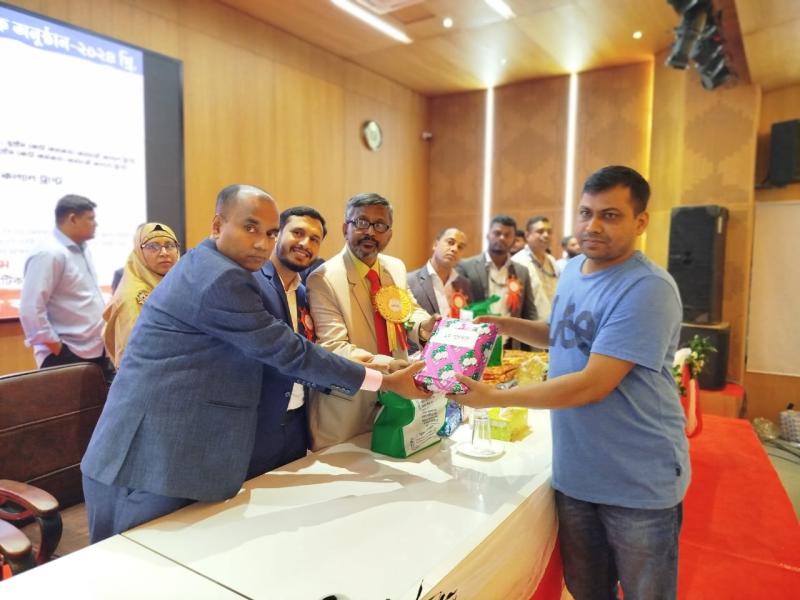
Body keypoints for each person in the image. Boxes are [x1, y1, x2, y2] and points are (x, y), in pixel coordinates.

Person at [80, 184, 425, 543]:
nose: (262, 243)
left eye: (270, 233)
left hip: (171, 450)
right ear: (217, 226)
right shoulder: (220, 278)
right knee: (135, 562)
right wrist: (385, 381)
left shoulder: (213, 265)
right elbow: (291, 352)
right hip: (143, 459)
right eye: (250, 228)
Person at [452, 166, 689, 600]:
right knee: (586, 590)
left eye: (610, 215)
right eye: (585, 213)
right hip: (577, 474)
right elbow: (560, 333)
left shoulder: (648, 288)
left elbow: (592, 384)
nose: (592, 226)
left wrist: (494, 397)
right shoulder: (577, 269)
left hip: (636, 480)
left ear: (640, 222)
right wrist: (504, 325)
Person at [306, 192, 435, 450]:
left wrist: (424, 326)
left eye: (380, 225)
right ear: (345, 228)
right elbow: (334, 347)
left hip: (396, 403)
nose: (370, 232)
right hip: (346, 411)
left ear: (389, 234)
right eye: (361, 222)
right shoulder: (324, 278)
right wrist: (389, 366)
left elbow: (408, 310)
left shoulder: (395, 268)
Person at [248, 206, 326, 477]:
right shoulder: (252, 282)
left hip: (296, 423)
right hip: (255, 424)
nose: (305, 244)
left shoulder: (305, 293)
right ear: (277, 233)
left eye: (314, 239)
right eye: (298, 233)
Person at [19, 194, 115, 383]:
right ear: (72, 219)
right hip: (66, 354)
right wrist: (57, 347)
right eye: (90, 218)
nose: (95, 224)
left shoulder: (83, 249)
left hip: (94, 350)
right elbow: (30, 308)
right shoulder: (48, 253)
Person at [102, 222, 180, 368]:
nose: (164, 252)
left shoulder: (176, 283)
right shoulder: (133, 297)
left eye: (170, 245)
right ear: (139, 251)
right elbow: (136, 356)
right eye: (153, 246)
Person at [456, 215, 537, 323]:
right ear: (488, 235)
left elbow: (529, 312)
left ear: (514, 240)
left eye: (507, 235)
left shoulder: (522, 272)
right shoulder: (466, 267)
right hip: (476, 331)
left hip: (510, 333)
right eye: (497, 233)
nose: (502, 238)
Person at [407, 227, 471, 317]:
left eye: (460, 247)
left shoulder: (464, 285)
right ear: (435, 245)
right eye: (450, 242)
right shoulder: (410, 282)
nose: (455, 249)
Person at [512, 215, 560, 321]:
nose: (546, 235)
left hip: (553, 323)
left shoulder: (552, 260)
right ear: (527, 235)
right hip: (530, 324)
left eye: (549, 232)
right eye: (540, 231)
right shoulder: (518, 262)